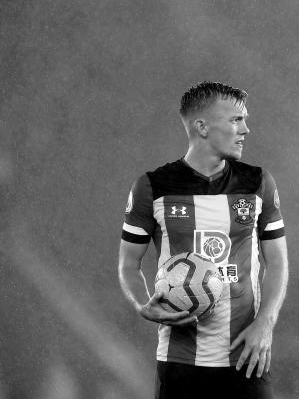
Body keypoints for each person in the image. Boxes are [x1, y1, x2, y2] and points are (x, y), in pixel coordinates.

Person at [118, 82, 289, 399]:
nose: (246, 129)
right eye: (236, 120)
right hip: (181, 361)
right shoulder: (153, 187)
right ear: (202, 126)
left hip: (246, 359)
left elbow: (277, 261)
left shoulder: (257, 182)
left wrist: (265, 322)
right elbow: (129, 263)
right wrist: (143, 303)